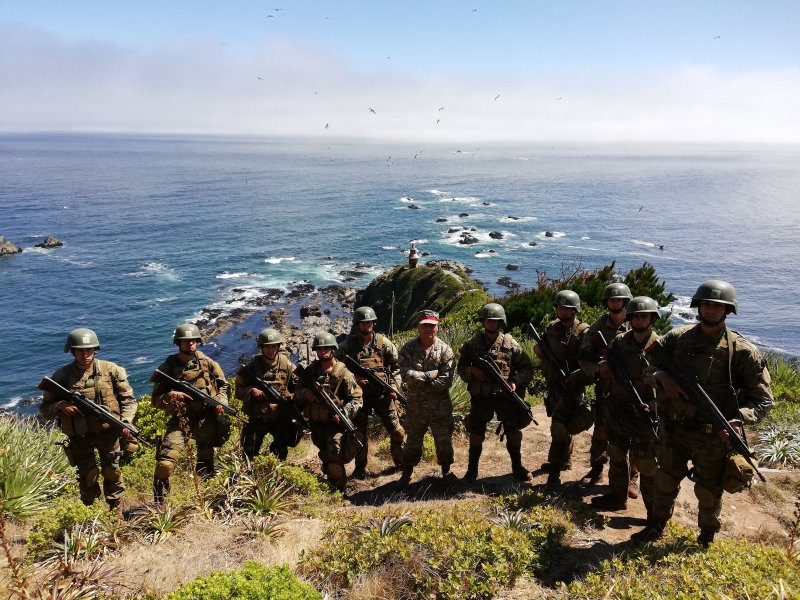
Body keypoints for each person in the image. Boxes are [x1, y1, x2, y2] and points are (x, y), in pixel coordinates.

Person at [631, 280, 773, 546]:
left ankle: (706, 537)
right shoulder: (676, 338)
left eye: (717, 306)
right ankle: (655, 527)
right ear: (699, 305)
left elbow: (763, 400)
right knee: (664, 482)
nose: (710, 310)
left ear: (727, 310)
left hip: (713, 436)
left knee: (708, 492)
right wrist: (662, 377)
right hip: (674, 429)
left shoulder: (741, 352)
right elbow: (646, 370)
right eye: (707, 304)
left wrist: (739, 418)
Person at [40, 328, 137, 514]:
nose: (85, 354)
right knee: (87, 477)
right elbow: (45, 410)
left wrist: (126, 422)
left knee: (113, 472)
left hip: (109, 433)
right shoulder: (62, 376)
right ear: (72, 351)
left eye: (89, 350)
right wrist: (60, 405)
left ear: (95, 350)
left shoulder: (111, 370)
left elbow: (128, 400)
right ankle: (91, 516)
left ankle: (115, 514)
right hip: (80, 437)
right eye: (80, 350)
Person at [591, 296, 661, 516]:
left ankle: (654, 512)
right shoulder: (620, 341)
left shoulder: (661, 345)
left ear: (652, 318)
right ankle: (617, 497)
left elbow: (671, 383)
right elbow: (605, 362)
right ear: (629, 318)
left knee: (647, 464)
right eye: (635, 316)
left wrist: (654, 404)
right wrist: (603, 368)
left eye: (644, 316)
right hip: (619, 408)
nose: (639, 320)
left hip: (646, 411)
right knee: (617, 453)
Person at [151, 324, 230, 503]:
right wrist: (172, 395)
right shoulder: (168, 367)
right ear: (178, 343)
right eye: (186, 341)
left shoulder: (208, 363)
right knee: (165, 463)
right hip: (180, 419)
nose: (190, 344)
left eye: (193, 341)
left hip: (205, 418)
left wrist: (221, 402)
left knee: (206, 462)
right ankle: (159, 498)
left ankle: (206, 498)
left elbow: (223, 385)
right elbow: (155, 400)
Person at [457, 302, 534, 481]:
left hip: (504, 396)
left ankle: (517, 467)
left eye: (495, 321)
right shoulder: (473, 344)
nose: (491, 324)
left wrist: (515, 381)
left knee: (513, 432)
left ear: (501, 323)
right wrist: (473, 371)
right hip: (481, 396)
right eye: (488, 321)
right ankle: (471, 471)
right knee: (476, 433)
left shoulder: (510, 343)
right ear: (483, 322)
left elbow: (526, 368)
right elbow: (461, 368)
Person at [577, 282, 638, 493]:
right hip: (606, 388)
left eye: (618, 299)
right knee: (601, 430)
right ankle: (596, 469)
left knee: (631, 433)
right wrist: (598, 369)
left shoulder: (636, 322)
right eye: (611, 300)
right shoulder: (598, 328)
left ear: (625, 301)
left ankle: (632, 477)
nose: (614, 303)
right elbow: (584, 355)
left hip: (632, 389)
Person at [533, 290, 592, 487]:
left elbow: (589, 362)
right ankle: (566, 460)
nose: (563, 311)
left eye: (567, 308)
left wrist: (575, 378)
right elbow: (541, 348)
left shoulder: (583, 332)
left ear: (575, 310)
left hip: (572, 386)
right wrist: (538, 351)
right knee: (562, 424)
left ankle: (555, 471)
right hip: (554, 384)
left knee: (558, 425)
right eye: (560, 307)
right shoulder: (552, 328)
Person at [338, 306, 405, 478]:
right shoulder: (349, 344)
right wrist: (355, 380)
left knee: (396, 430)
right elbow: (337, 366)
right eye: (363, 323)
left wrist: (394, 387)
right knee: (360, 433)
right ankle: (360, 468)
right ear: (357, 324)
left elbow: (396, 368)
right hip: (359, 396)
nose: (366, 325)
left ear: (373, 323)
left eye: (369, 322)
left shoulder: (384, 343)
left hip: (383, 394)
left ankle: (401, 462)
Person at [294, 332, 363, 492]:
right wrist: (305, 393)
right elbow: (296, 394)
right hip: (316, 423)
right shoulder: (310, 372)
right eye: (319, 349)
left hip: (335, 423)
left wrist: (344, 414)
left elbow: (357, 399)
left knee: (334, 454)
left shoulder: (343, 374)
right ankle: (332, 481)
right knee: (325, 453)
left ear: (333, 349)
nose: (322, 351)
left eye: (326, 348)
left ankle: (339, 489)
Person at [397, 310, 456, 487]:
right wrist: (430, 375)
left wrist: (420, 380)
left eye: (432, 325)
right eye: (425, 325)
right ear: (418, 327)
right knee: (413, 441)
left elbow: (447, 379)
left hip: (440, 406)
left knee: (444, 439)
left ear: (437, 327)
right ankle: (407, 473)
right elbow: (404, 375)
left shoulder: (445, 350)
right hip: (416, 406)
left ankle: (447, 472)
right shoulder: (408, 349)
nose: (428, 329)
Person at [235, 328, 301, 461]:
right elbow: (238, 390)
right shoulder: (252, 367)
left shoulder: (287, 365)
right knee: (249, 450)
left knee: (281, 450)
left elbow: (298, 389)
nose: (270, 350)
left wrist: (291, 399)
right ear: (261, 347)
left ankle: (275, 473)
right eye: (267, 347)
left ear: (278, 347)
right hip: (258, 416)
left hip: (280, 416)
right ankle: (251, 475)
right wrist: (251, 390)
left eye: (273, 346)